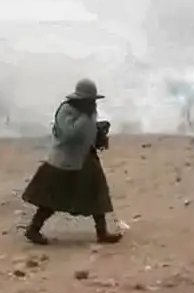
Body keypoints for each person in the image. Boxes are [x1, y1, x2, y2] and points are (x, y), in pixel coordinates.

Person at [20, 78, 122, 246]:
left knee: (98, 193)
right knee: (51, 199)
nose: (93, 104)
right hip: (64, 161)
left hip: (86, 157)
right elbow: (69, 135)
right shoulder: (66, 111)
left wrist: (98, 133)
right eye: (90, 101)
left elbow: (86, 133)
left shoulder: (88, 112)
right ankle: (33, 229)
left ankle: (102, 232)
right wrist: (85, 118)